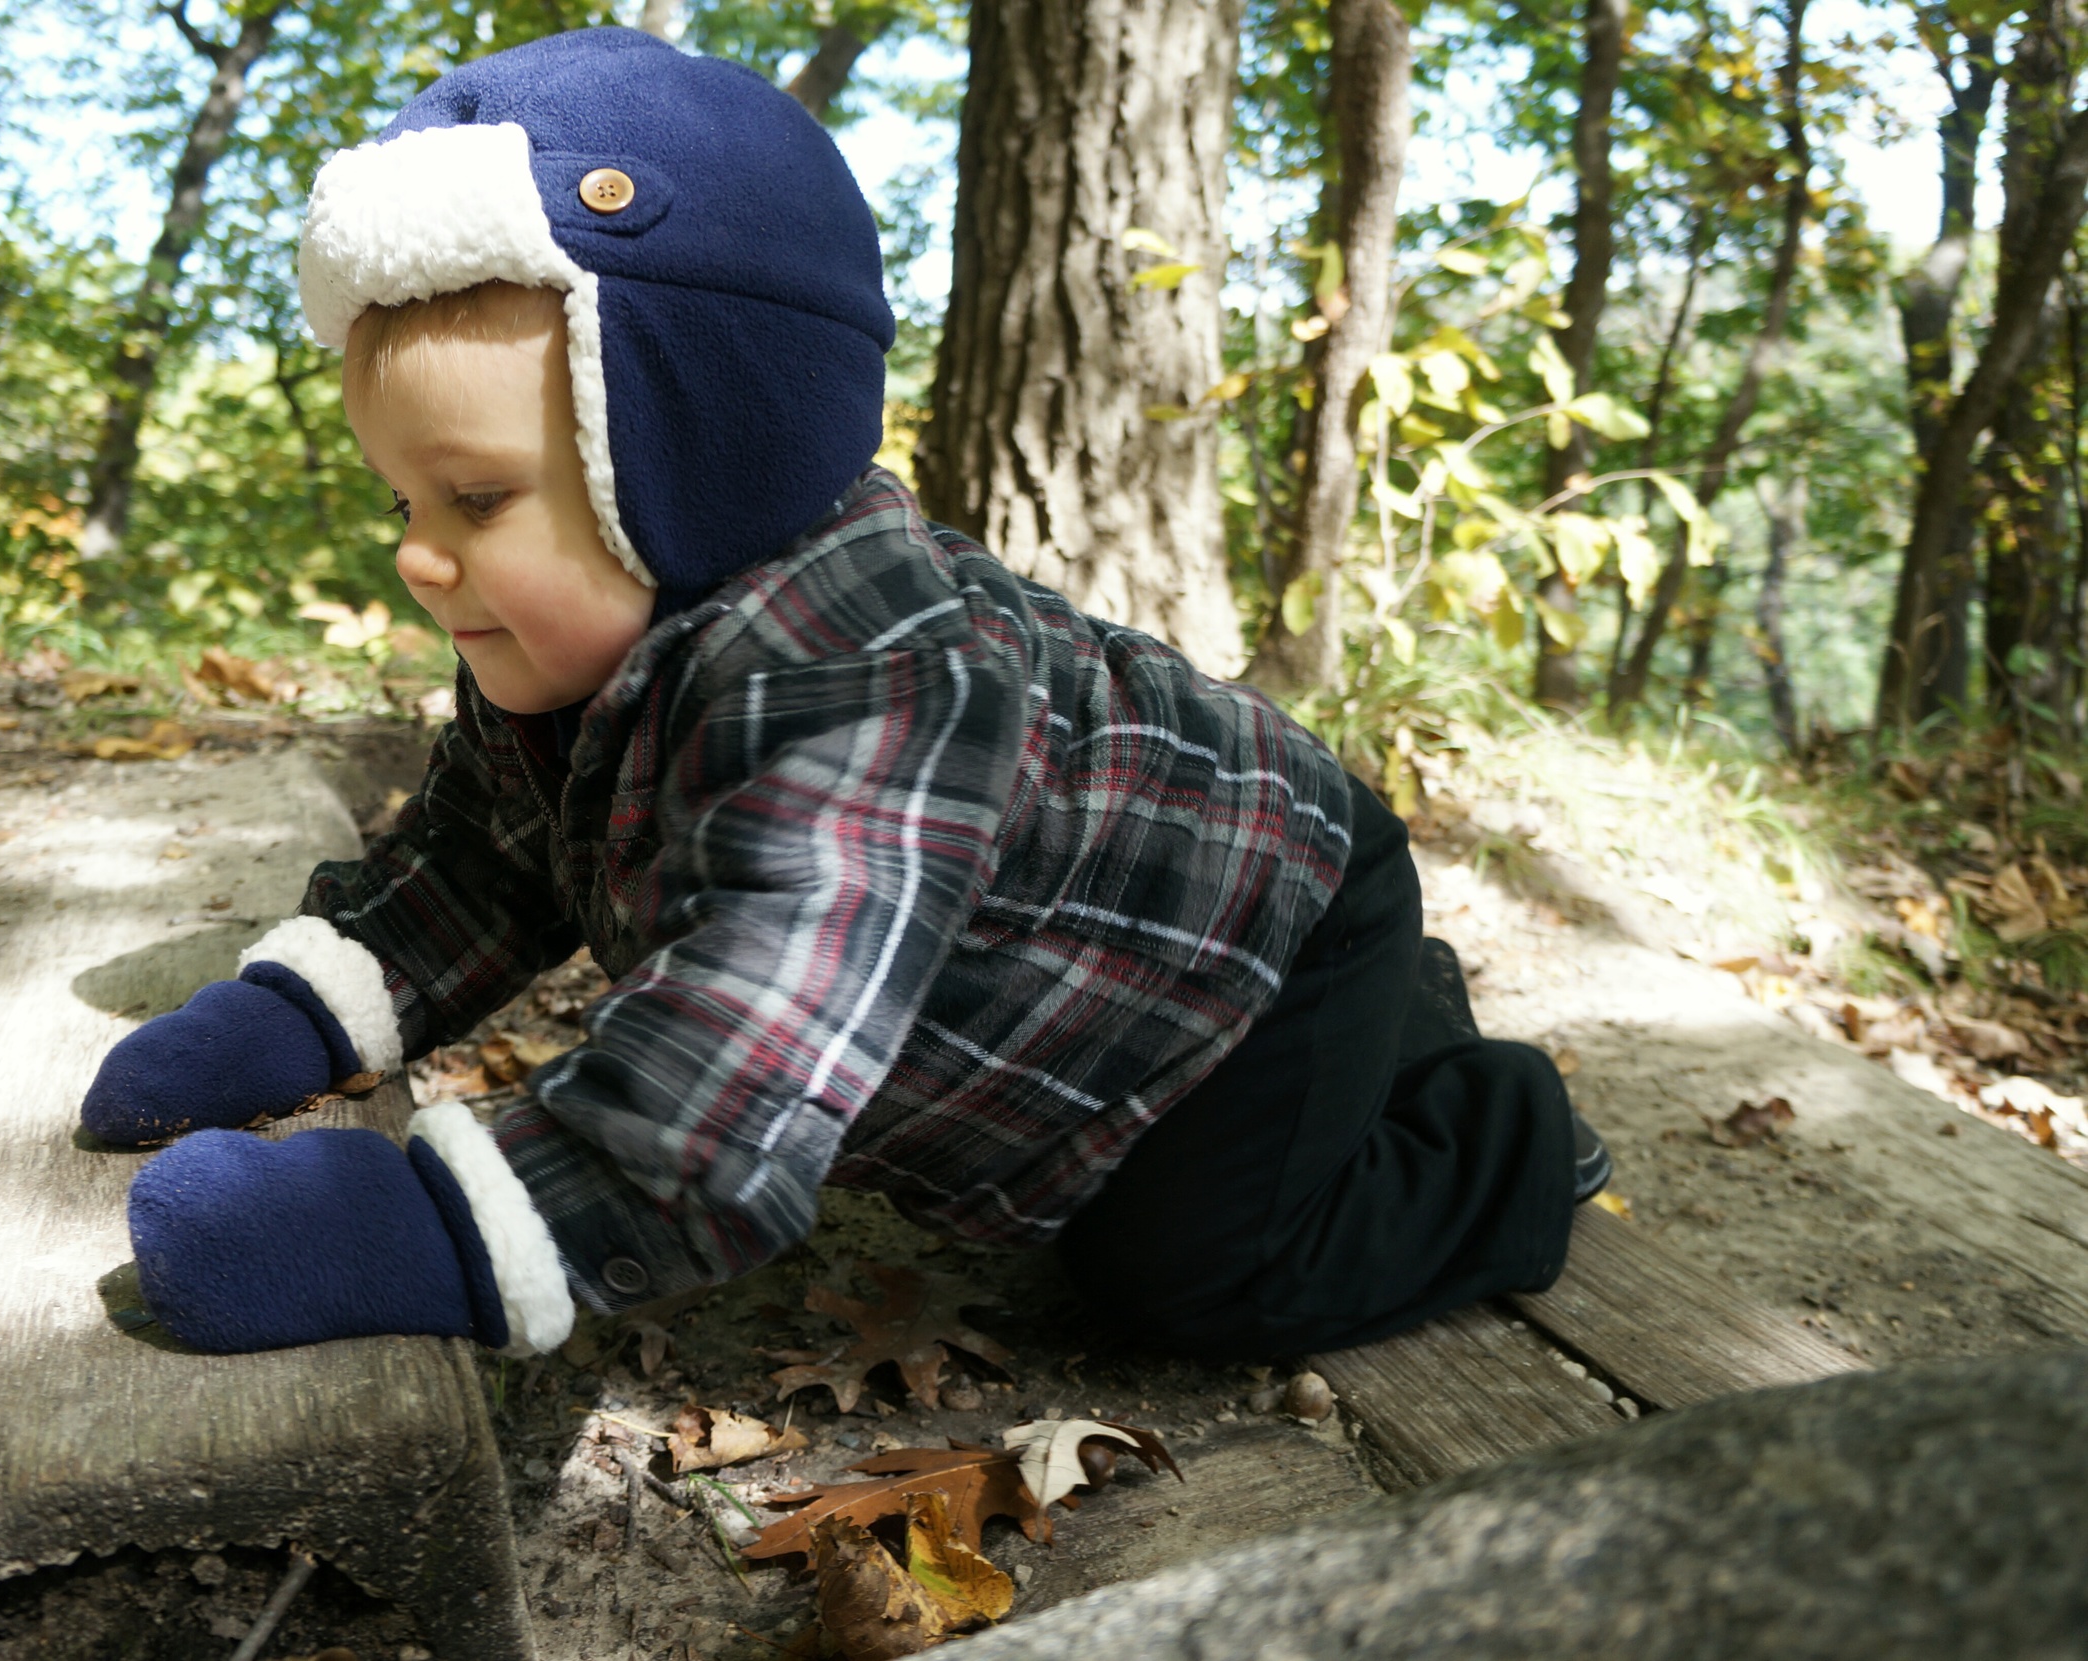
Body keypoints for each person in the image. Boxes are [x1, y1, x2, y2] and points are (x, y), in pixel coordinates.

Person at [82, 26, 1608, 1362]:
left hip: (1265, 918)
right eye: (403, 505)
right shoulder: (577, 657)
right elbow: (481, 865)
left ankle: (1507, 1136)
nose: (423, 560)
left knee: (1188, 1271)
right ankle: (1395, 1035)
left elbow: (733, 1072)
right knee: (1123, 1204)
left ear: (687, 466)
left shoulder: (877, 683)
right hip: (1115, 956)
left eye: (476, 500)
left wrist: (430, 1227)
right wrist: (300, 1012)